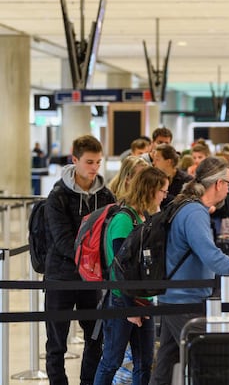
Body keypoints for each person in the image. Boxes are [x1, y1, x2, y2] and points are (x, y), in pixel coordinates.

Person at [149, 157, 229, 384]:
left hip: (173, 297)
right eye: (228, 185)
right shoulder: (194, 212)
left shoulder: (185, 205)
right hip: (185, 302)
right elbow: (212, 257)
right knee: (208, 363)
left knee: (166, 368)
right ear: (218, 184)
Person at [44, 135, 116, 385]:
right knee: (56, 343)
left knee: (95, 338)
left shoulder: (106, 195)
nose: (95, 167)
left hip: (92, 280)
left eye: (98, 162)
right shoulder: (57, 197)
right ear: (74, 160)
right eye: (89, 162)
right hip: (60, 277)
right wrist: (91, 258)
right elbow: (62, 240)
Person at [93, 167, 168, 385]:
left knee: (145, 361)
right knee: (111, 361)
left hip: (142, 299)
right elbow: (119, 268)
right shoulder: (124, 220)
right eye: (162, 190)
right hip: (122, 301)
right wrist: (130, 308)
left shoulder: (145, 217)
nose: (164, 195)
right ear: (149, 190)